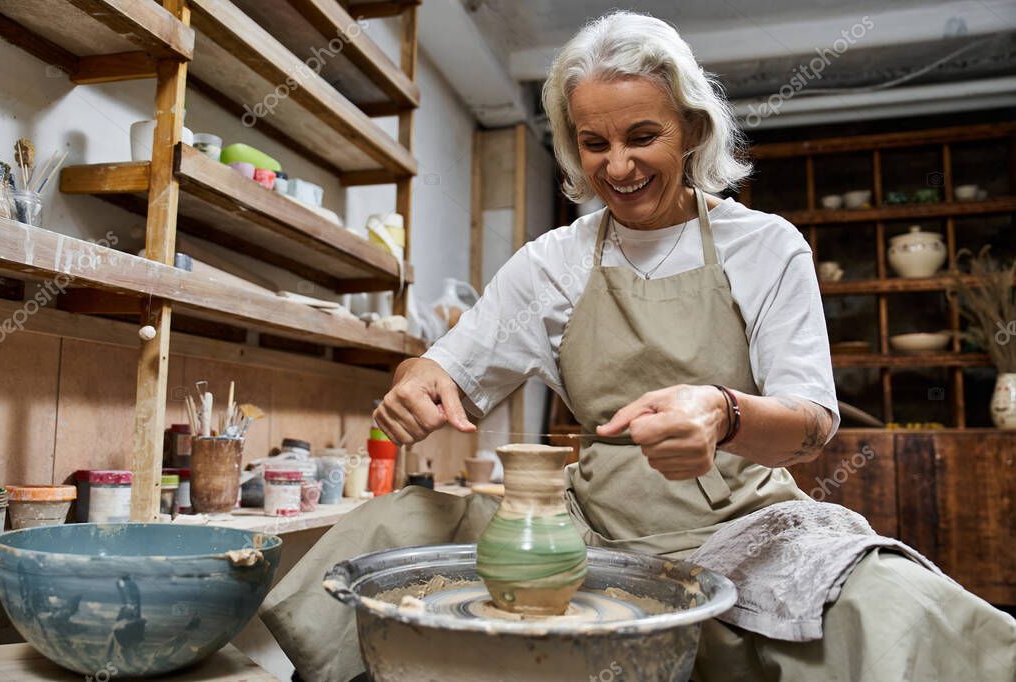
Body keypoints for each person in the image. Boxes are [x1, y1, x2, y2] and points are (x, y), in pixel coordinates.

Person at [262, 11, 1016, 681]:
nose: (616, 166)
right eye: (593, 143)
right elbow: (448, 373)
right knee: (385, 531)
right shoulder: (550, 262)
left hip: (747, 527)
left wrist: (723, 413)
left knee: (897, 603)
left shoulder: (764, 246)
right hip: (590, 525)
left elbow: (816, 425)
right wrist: (418, 372)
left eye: (641, 136)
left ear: (690, 129)